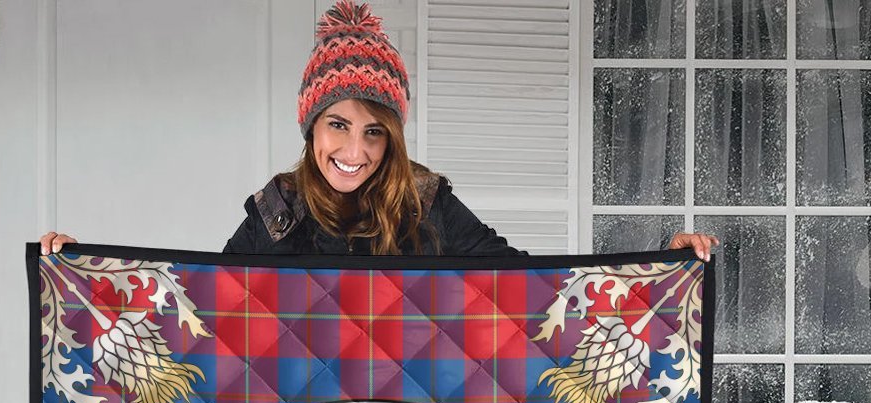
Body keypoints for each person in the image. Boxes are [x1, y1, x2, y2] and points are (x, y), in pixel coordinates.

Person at [40, 1, 717, 261]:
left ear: (393, 138)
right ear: (311, 128)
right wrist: (82, 271)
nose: (354, 151)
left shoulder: (427, 203)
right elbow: (204, 308)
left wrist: (661, 265)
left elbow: (533, 287)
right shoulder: (276, 212)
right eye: (338, 125)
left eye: (374, 132)